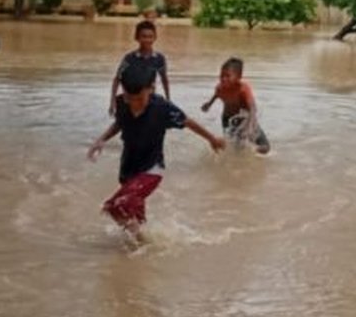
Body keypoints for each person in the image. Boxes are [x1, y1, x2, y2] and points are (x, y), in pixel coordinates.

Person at [88, 62, 224, 241]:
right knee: (133, 213)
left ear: (151, 88)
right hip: (128, 168)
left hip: (152, 168)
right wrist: (101, 140)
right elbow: (119, 124)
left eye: (140, 99)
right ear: (123, 91)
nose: (134, 104)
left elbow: (187, 122)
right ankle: (143, 247)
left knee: (114, 206)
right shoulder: (121, 103)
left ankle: (141, 239)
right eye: (130, 98)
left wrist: (212, 139)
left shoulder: (162, 108)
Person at [201, 57, 271, 155]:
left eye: (228, 76)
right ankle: (239, 156)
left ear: (239, 77)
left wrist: (250, 124)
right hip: (227, 120)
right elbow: (217, 95)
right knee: (235, 147)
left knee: (265, 148)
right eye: (221, 75)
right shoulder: (220, 87)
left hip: (245, 119)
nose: (223, 79)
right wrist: (209, 104)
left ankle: (250, 152)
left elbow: (252, 107)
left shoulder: (243, 89)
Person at [109, 20, 170, 115]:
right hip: (130, 100)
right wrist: (112, 102)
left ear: (155, 38)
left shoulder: (159, 59)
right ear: (137, 38)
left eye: (150, 37)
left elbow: (164, 79)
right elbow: (117, 79)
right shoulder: (129, 59)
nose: (147, 40)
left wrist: (168, 99)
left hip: (148, 100)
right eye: (144, 36)